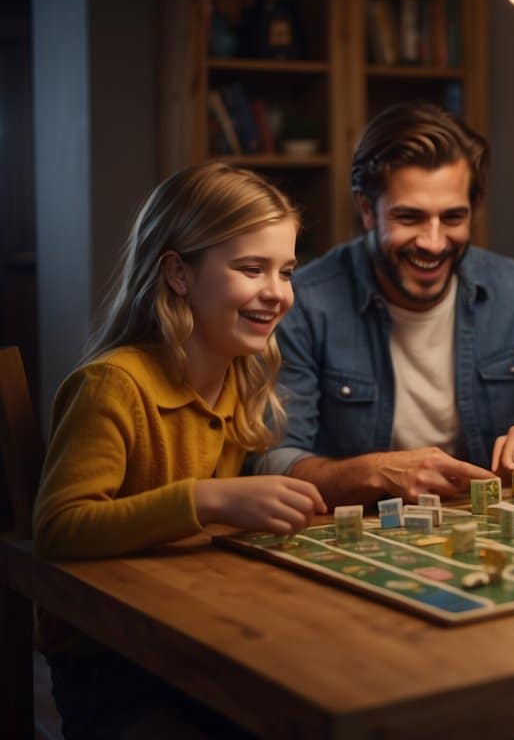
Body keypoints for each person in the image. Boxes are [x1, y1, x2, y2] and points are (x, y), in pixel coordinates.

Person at [33, 161, 327, 738]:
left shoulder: (239, 377)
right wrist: (207, 498)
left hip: (193, 637)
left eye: (287, 272)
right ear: (179, 274)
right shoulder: (112, 385)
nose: (277, 293)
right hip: (112, 662)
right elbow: (58, 528)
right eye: (251, 269)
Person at [257, 102, 514, 506]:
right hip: (361, 533)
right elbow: (273, 459)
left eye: (452, 218)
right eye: (410, 218)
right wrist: (377, 472)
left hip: (487, 525)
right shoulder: (302, 303)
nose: (433, 242)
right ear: (366, 209)